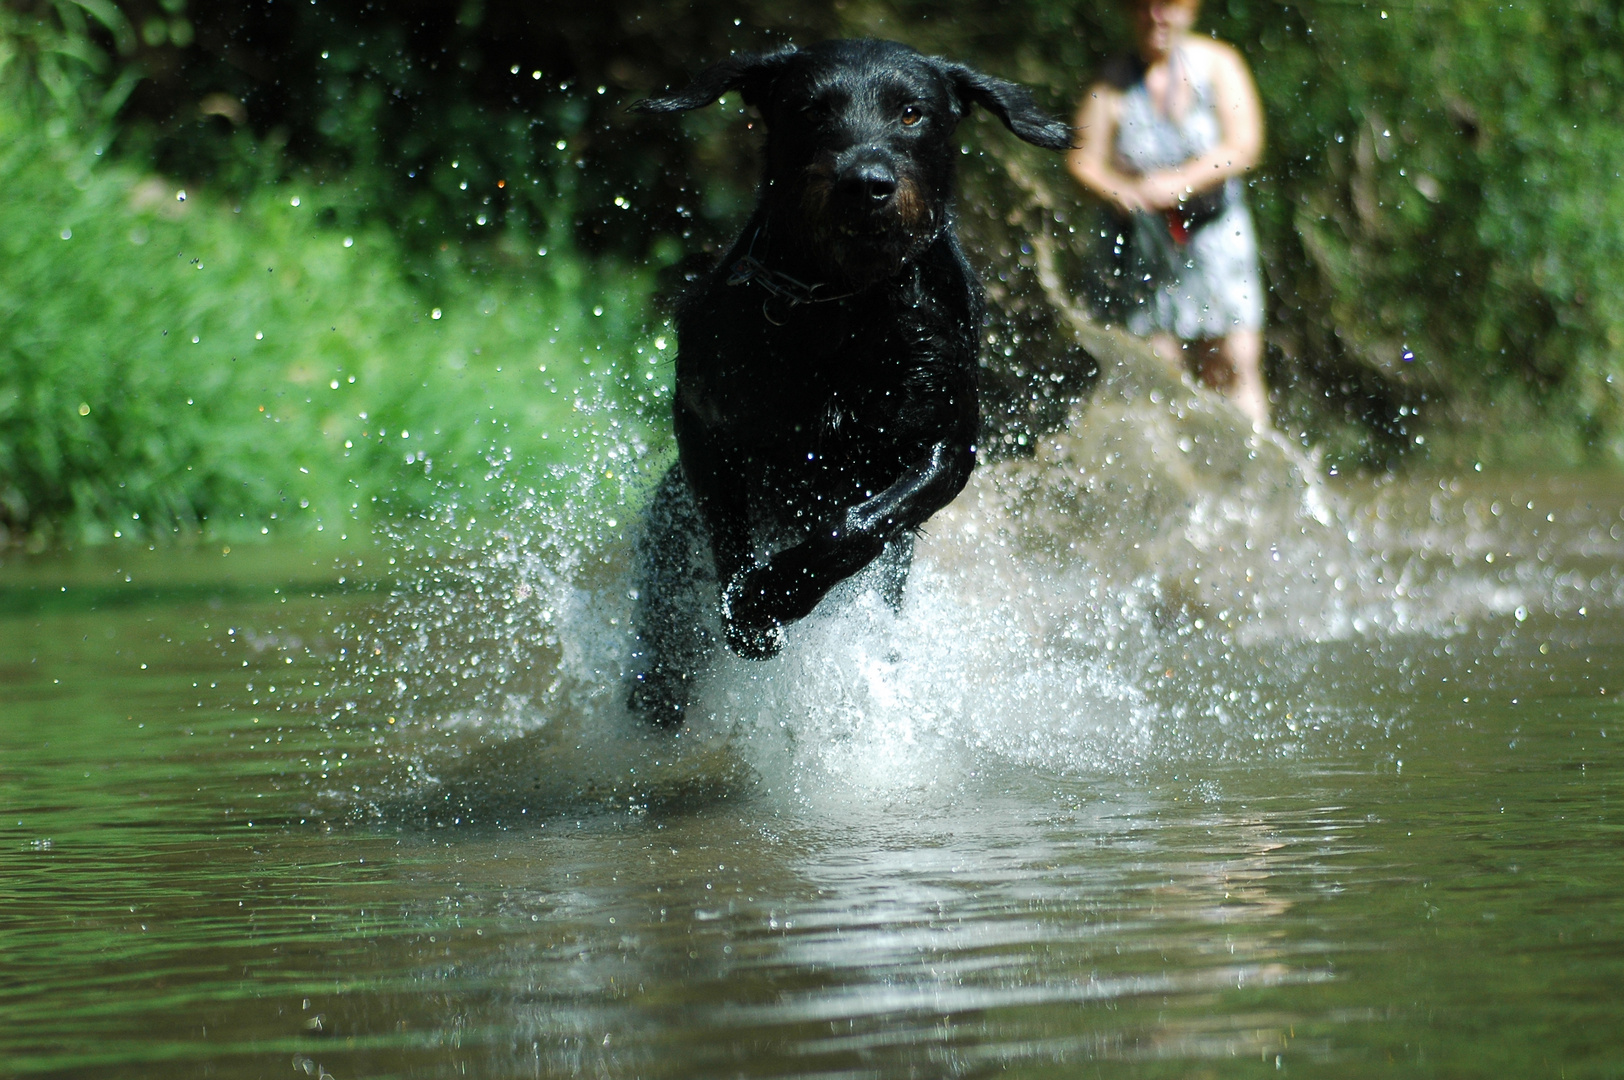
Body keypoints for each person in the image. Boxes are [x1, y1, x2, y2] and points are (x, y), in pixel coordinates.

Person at [1067, 0, 1270, 430]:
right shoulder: (1113, 82)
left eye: (1169, 4)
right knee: (1159, 367)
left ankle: (1253, 470)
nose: (1156, 14)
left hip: (1215, 235)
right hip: (1145, 242)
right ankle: (1177, 479)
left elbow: (1245, 145)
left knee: (1233, 359)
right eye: (1144, 5)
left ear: (1191, 9)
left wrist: (1181, 181)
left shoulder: (1219, 64)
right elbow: (1082, 162)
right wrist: (1124, 192)